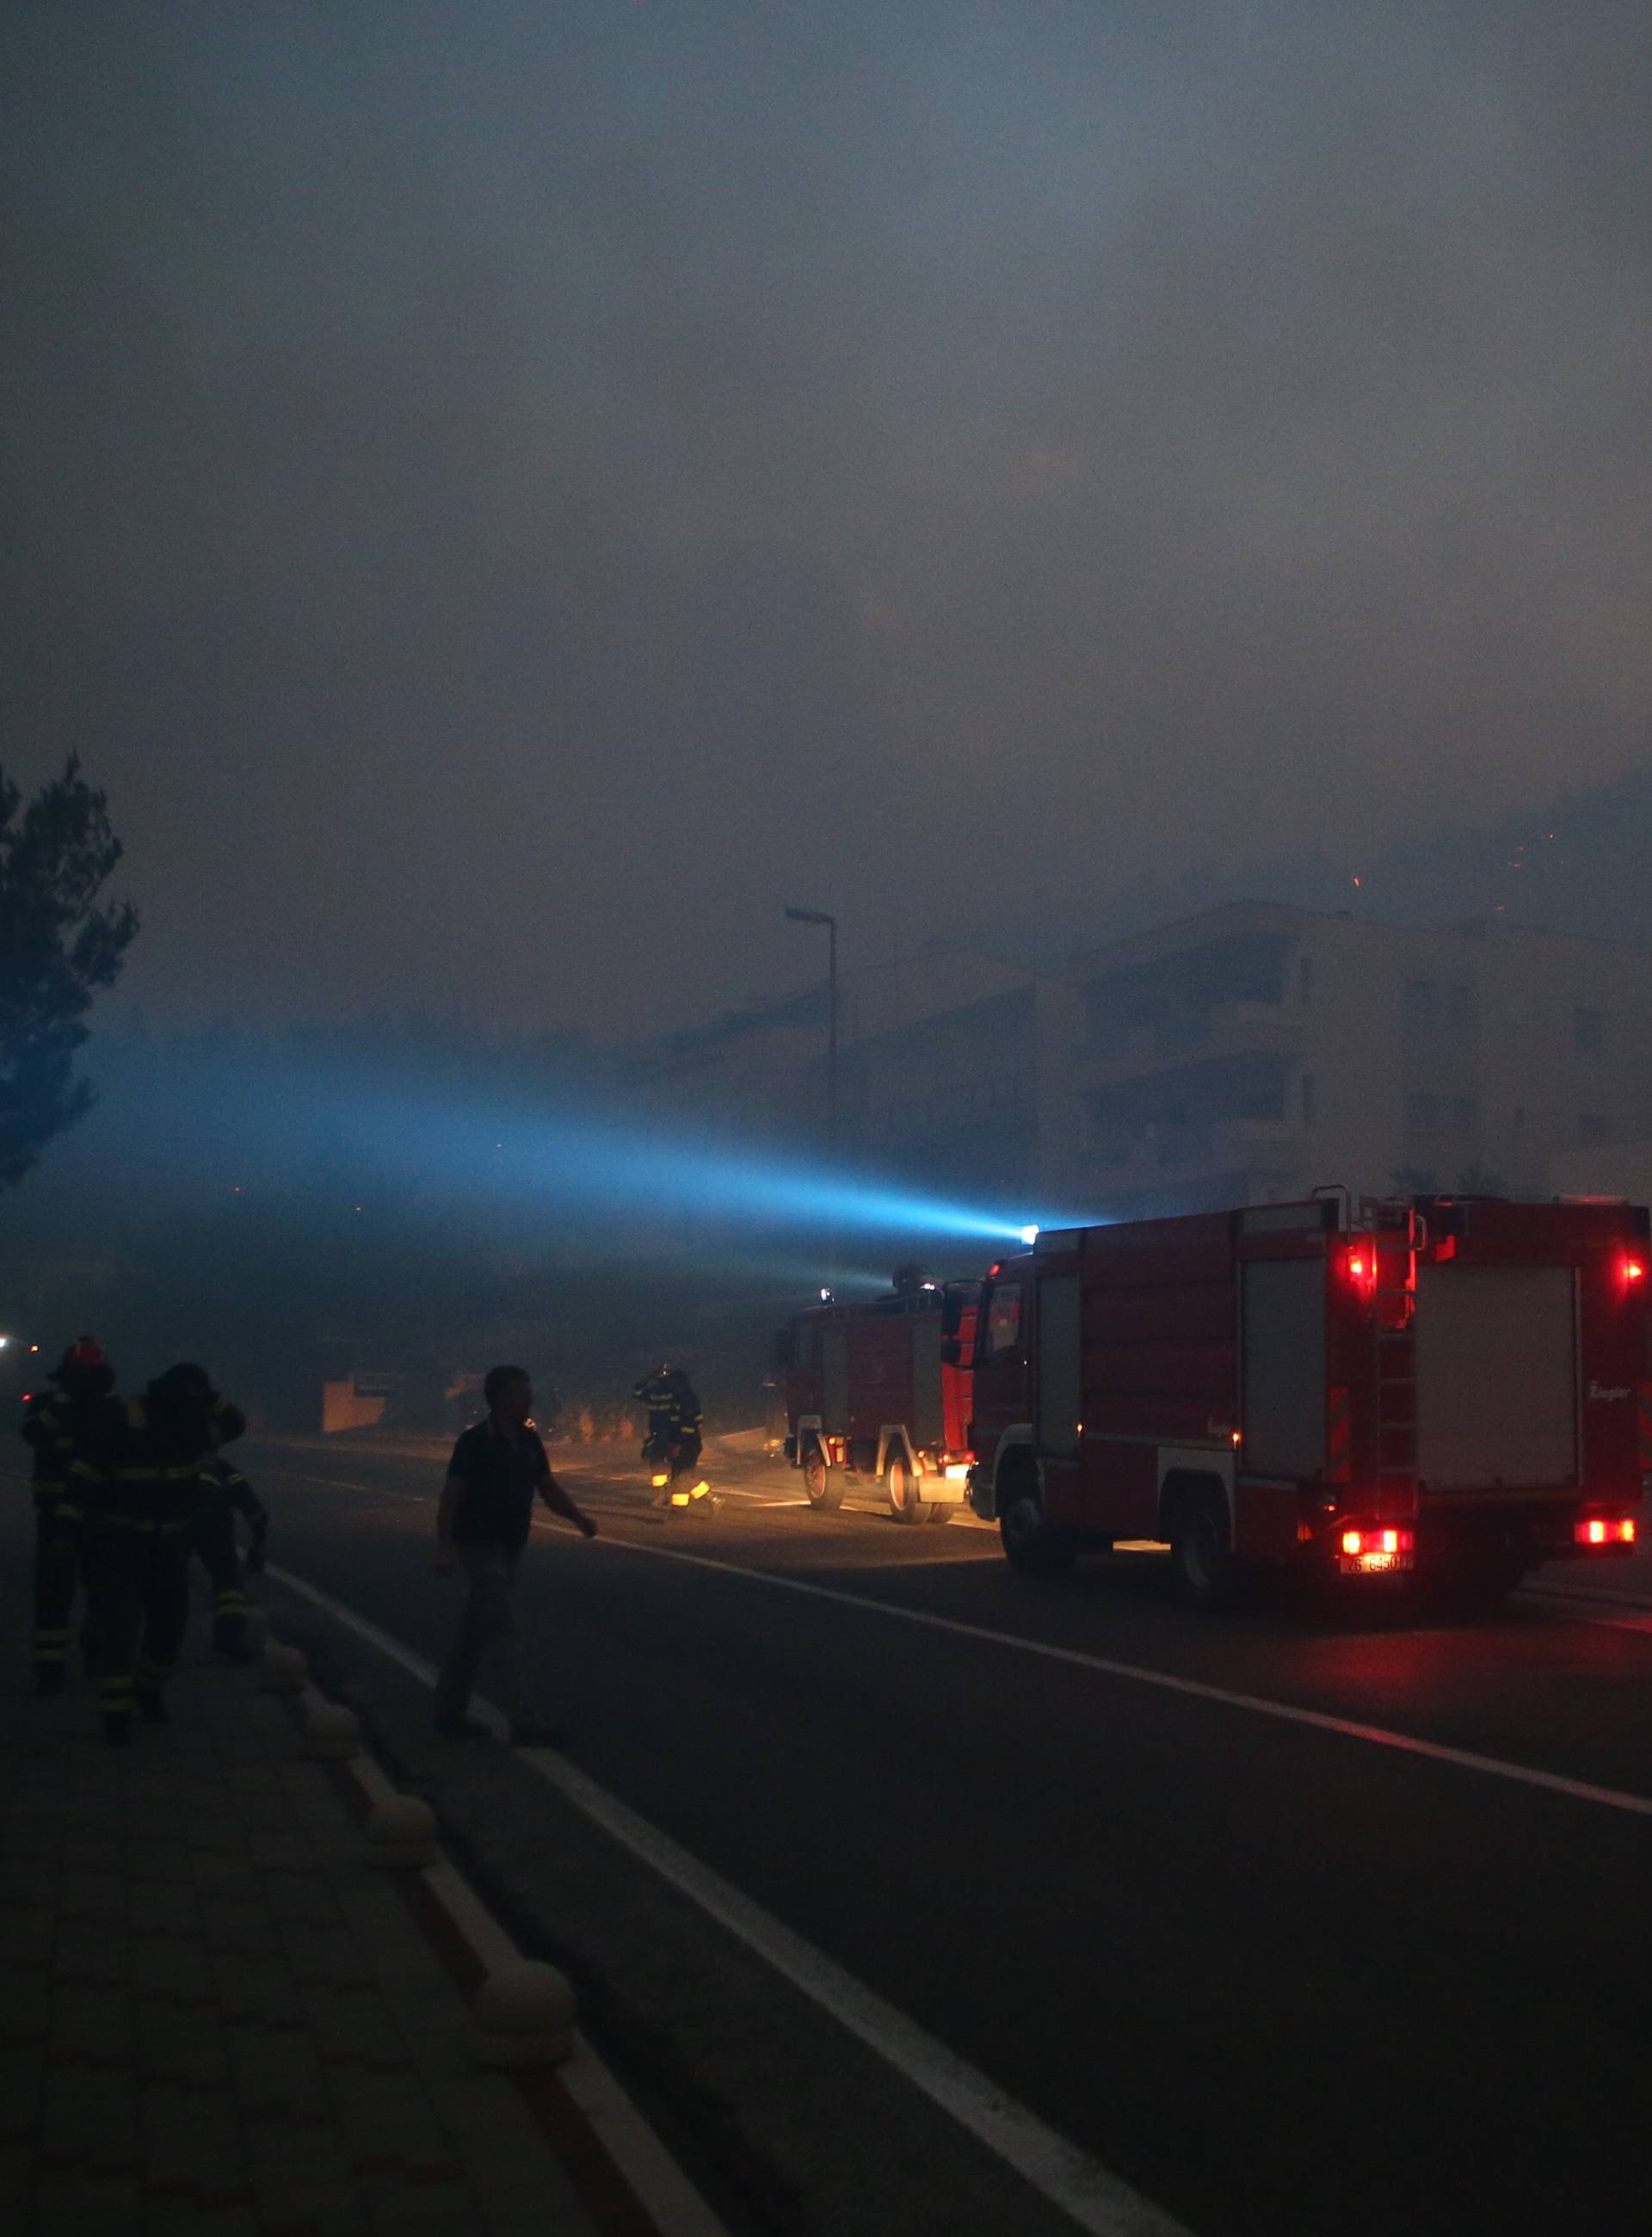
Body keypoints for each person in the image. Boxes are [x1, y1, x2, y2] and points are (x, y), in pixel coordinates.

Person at [70, 1363, 241, 1743]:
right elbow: (85, 1477)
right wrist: (73, 1531)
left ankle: (149, 1687)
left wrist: (210, 1397)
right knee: (121, 1626)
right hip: (122, 1543)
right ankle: (115, 1713)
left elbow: (234, 1424)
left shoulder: (192, 1426)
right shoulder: (122, 1419)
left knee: (170, 1624)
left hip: (169, 1546)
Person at [433, 1365, 595, 1747]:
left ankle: (448, 1712)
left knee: (474, 1632)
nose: (530, 1400)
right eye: (523, 1394)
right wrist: (443, 1545)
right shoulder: (474, 1443)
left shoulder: (528, 1441)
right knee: (503, 1627)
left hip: (511, 1546)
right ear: (504, 1399)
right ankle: (524, 1720)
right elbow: (451, 1496)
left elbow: (547, 1486)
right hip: (477, 1546)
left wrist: (578, 1517)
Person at [20, 1337, 117, 1694]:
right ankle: (49, 1667)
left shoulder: (107, 1409)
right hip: (55, 1518)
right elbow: (34, 1434)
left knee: (101, 1590)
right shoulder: (47, 1405)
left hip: (97, 1515)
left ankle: (95, 1652)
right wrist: (65, 1401)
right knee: (52, 1593)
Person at [192, 1443, 269, 1662]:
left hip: (176, 1525)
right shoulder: (223, 1469)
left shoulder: (175, 1466)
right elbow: (254, 1510)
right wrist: (259, 1543)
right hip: (214, 1526)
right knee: (229, 1583)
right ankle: (229, 1641)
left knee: (168, 1583)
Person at [632, 1361, 718, 1513]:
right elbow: (636, 1392)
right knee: (661, 1468)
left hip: (676, 1438)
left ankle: (704, 1499)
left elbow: (690, 1422)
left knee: (681, 1475)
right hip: (664, 1436)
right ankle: (664, 1497)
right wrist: (649, 1377)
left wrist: (679, 1443)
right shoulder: (655, 1392)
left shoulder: (681, 1397)